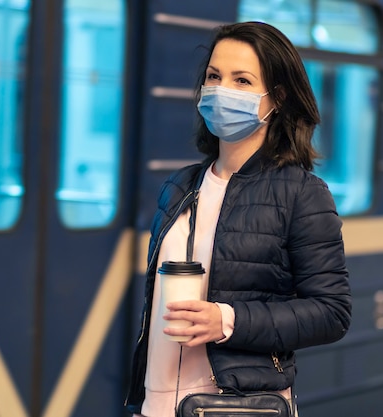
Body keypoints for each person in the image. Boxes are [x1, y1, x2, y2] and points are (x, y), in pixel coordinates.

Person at [125, 21, 351, 417]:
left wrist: (228, 320)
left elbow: (332, 312)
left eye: (242, 81)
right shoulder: (179, 188)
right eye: (214, 76)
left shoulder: (302, 193)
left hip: (237, 406)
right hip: (159, 403)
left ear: (276, 98)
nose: (221, 89)